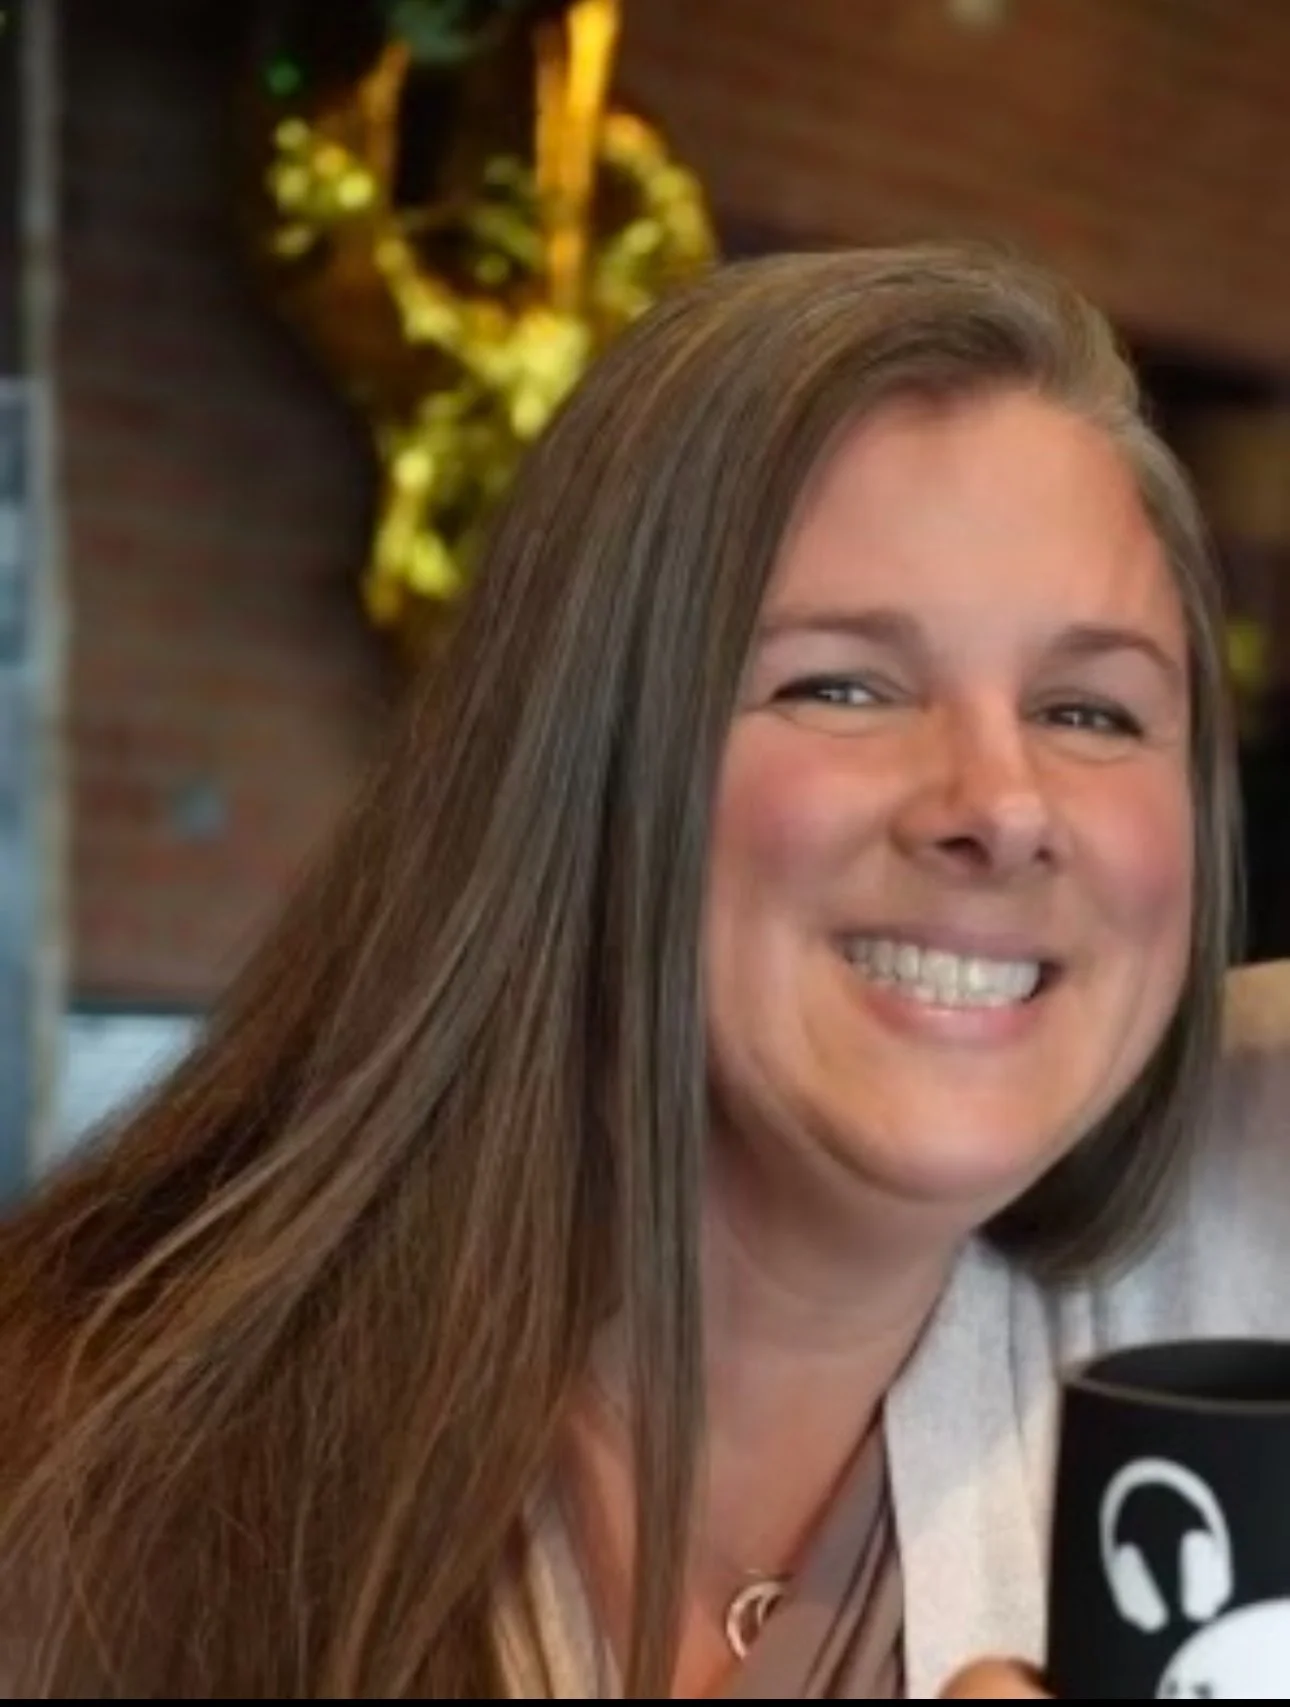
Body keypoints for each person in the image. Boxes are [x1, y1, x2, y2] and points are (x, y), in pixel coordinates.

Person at [0, 240, 1287, 1700]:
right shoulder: (87, 1466)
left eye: (1090, 709)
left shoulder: (1241, 1219)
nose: (998, 805)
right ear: (579, 757)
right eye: (841, 684)